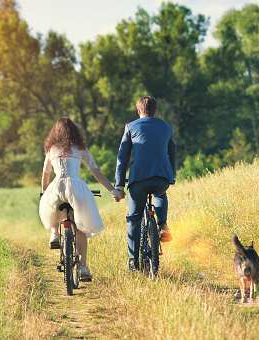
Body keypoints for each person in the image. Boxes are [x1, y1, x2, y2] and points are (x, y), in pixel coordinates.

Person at [39, 117, 124, 280]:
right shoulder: (80, 148)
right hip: (76, 188)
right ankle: (83, 267)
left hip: (57, 187)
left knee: (51, 206)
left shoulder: (51, 149)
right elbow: (96, 173)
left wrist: (44, 193)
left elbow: (45, 176)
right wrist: (113, 190)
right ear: (74, 131)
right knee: (80, 227)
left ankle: (55, 233)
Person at [114, 96, 176, 271]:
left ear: (139, 111)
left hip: (139, 178)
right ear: (155, 111)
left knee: (134, 218)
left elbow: (122, 158)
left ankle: (133, 260)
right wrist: (171, 175)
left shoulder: (130, 127)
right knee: (160, 193)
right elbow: (173, 153)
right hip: (162, 177)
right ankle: (162, 224)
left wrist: (119, 185)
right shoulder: (166, 127)